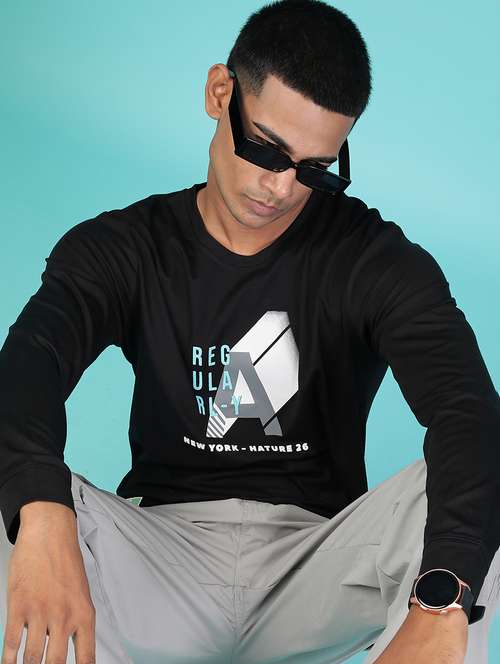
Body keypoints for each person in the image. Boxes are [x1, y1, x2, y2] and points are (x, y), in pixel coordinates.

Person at [0, 0, 499, 662]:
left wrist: (443, 600)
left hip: (319, 572)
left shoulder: (374, 260)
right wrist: (40, 509)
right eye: (265, 147)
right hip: (158, 564)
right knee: (17, 493)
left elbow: (467, 410)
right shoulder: (124, 248)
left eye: (314, 169)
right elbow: (29, 366)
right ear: (220, 93)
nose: (280, 187)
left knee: (481, 481)